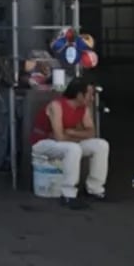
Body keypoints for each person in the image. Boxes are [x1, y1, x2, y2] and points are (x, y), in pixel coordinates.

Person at [31, 79, 110, 210]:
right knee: (73, 149)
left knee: (101, 145)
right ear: (79, 95)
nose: (92, 98)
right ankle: (68, 194)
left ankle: (95, 190)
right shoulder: (56, 105)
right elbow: (59, 136)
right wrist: (77, 135)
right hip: (43, 142)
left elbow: (91, 132)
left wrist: (72, 132)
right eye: (90, 94)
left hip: (67, 142)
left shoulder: (83, 109)